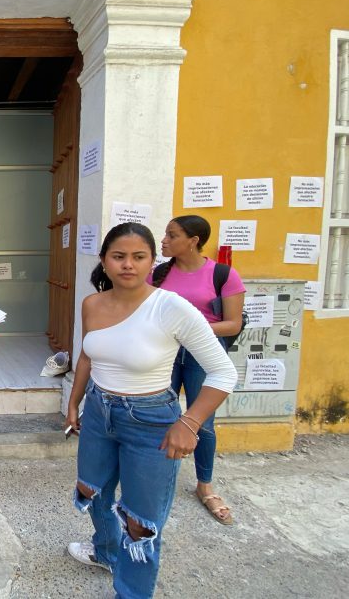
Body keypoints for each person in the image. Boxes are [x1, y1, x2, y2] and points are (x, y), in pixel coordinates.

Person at [64, 222, 237, 599]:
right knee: (91, 491)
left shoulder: (171, 307)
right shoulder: (92, 304)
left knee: (141, 524)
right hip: (98, 411)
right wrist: (74, 401)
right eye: (119, 256)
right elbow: (87, 356)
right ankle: (107, 553)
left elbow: (224, 372)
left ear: (152, 261)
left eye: (138, 257)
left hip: (151, 422)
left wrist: (189, 422)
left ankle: (131, 593)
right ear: (105, 262)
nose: (128, 264)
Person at [152, 215, 245, 525]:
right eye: (165, 234)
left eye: (172, 235)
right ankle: (153, 476)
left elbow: (233, 323)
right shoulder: (159, 275)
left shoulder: (222, 274)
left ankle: (205, 485)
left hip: (202, 354)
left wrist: (192, 329)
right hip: (165, 352)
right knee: (156, 414)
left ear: (193, 241)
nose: (164, 240)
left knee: (201, 421)